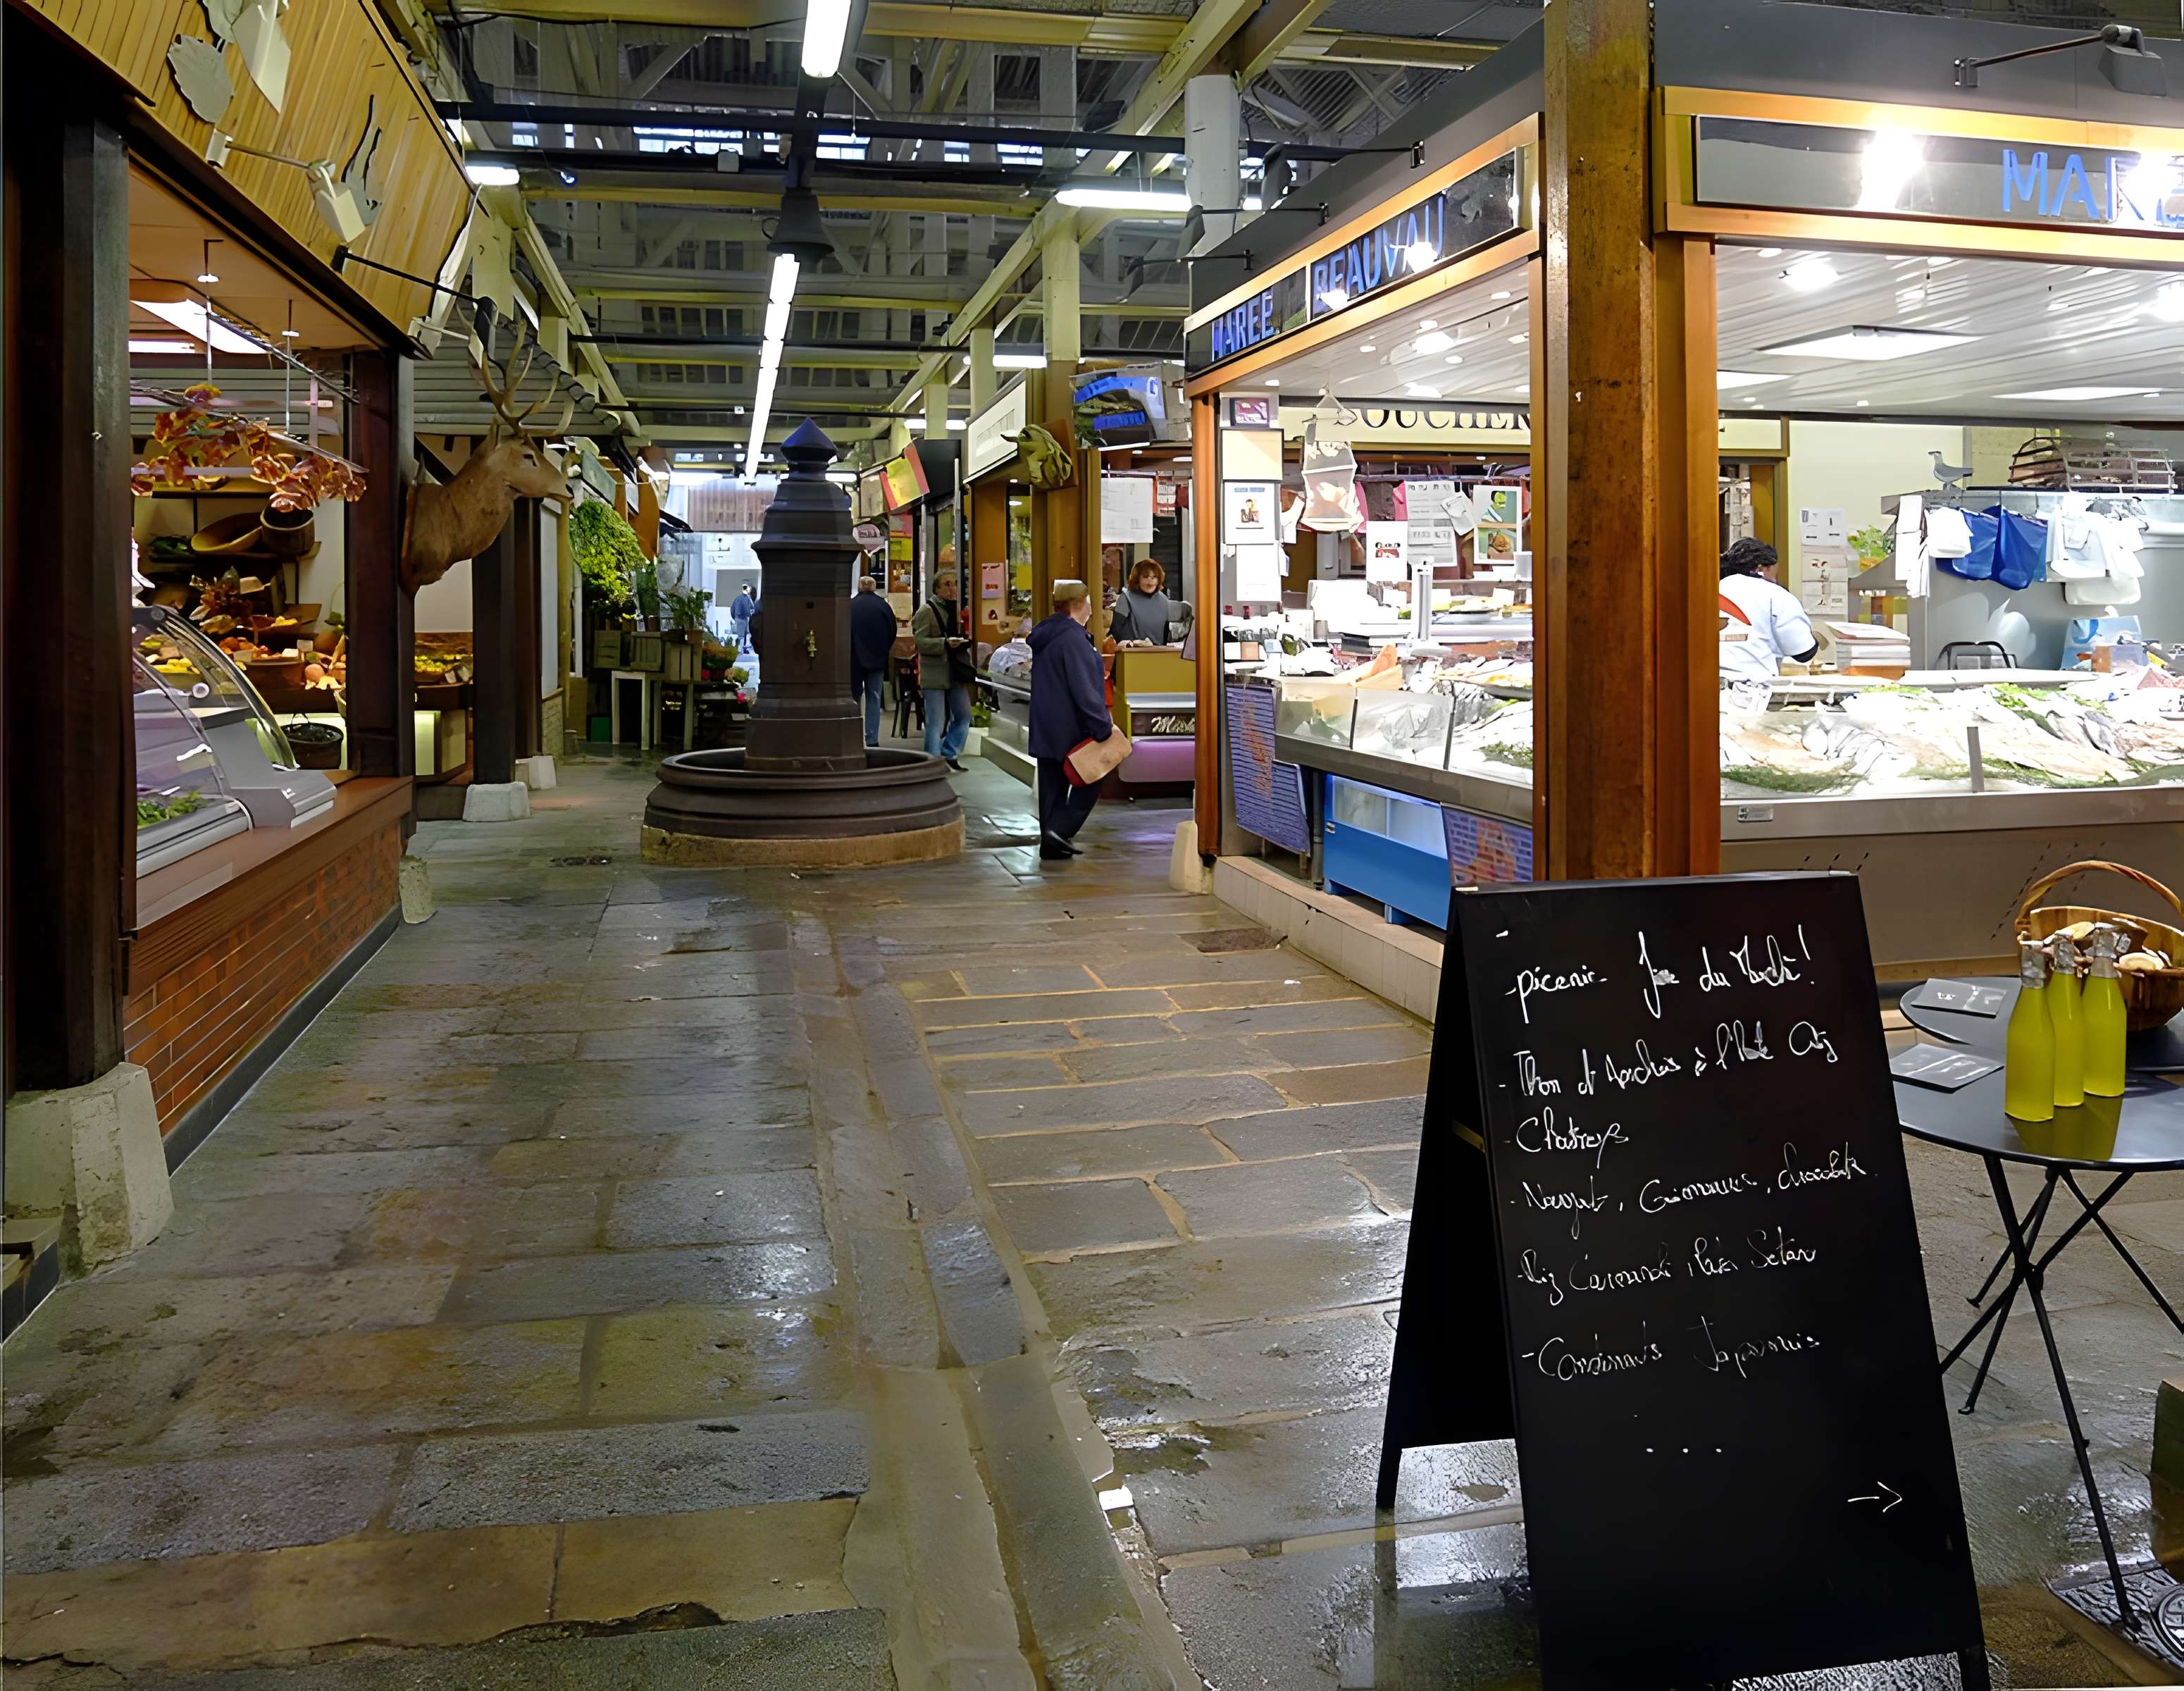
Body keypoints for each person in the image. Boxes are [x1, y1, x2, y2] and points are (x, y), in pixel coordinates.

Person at [1028, 579, 1114, 861]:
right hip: (1072, 728)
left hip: (1047, 724)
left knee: (1051, 788)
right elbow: (1084, 689)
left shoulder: (1048, 634)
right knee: (1091, 780)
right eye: (1089, 603)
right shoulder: (1073, 639)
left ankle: (1051, 845)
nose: (1091, 609)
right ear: (1078, 604)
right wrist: (1102, 727)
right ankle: (1059, 832)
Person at [1718, 538, 1818, 682]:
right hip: (1752, 686)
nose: (1775, 579)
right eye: (1775, 572)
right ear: (1761, 568)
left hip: (1704, 684)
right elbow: (1803, 653)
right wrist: (1816, 637)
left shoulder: (1710, 589)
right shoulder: (1775, 594)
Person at [911, 569, 973, 770]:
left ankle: (949, 752)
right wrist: (944, 643)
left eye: (955, 584)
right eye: (947, 584)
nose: (952, 588)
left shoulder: (958, 610)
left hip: (955, 672)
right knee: (936, 722)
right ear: (937, 589)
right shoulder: (926, 611)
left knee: (964, 715)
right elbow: (920, 642)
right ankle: (931, 762)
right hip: (935, 673)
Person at [849, 575, 898, 748]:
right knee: (874, 697)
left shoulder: (851, 605)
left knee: (854, 697)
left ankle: (852, 735)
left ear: (860, 587)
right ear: (874, 587)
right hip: (877, 659)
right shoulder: (883, 606)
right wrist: (883, 650)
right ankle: (872, 738)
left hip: (854, 659)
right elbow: (892, 631)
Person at [1107, 558, 1186, 645]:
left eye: (1153, 577)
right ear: (1137, 579)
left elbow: (1166, 634)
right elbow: (1116, 630)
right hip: (1132, 650)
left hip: (1159, 651)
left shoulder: (1163, 600)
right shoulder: (1126, 598)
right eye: (1145, 577)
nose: (1150, 580)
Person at [728, 583, 757, 654]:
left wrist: (735, 617)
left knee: (742, 635)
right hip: (743, 618)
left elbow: (732, 608)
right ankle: (742, 650)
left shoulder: (738, 598)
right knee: (743, 635)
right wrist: (750, 615)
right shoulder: (746, 599)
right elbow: (751, 608)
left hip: (738, 618)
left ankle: (742, 649)